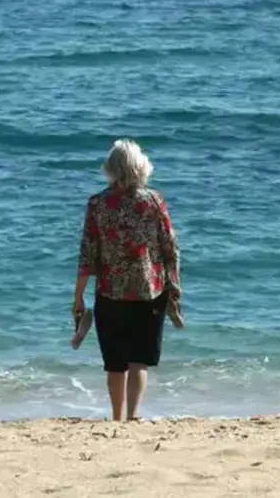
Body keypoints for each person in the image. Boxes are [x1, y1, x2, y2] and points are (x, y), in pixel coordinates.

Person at [73, 139, 183, 421]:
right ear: (140, 167)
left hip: (110, 292)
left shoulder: (97, 204)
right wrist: (174, 290)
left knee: (115, 363)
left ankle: (117, 416)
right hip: (150, 290)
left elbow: (87, 254)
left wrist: (78, 297)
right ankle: (134, 415)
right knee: (139, 360)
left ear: (111, 169)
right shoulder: (154, 202)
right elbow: (170, 247)